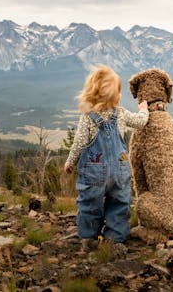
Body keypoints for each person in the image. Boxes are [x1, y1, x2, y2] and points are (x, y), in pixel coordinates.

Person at [64, 65, 149, 251]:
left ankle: (88, 238)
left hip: (94, 172)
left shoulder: (88, 117)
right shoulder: (121, 113)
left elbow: (79, 142)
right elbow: (141, 122)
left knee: (89, 203)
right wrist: (143, 108)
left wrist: (71, 161)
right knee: (119, 203)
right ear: (115, 96)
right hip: (120, 169)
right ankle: (115, 239)